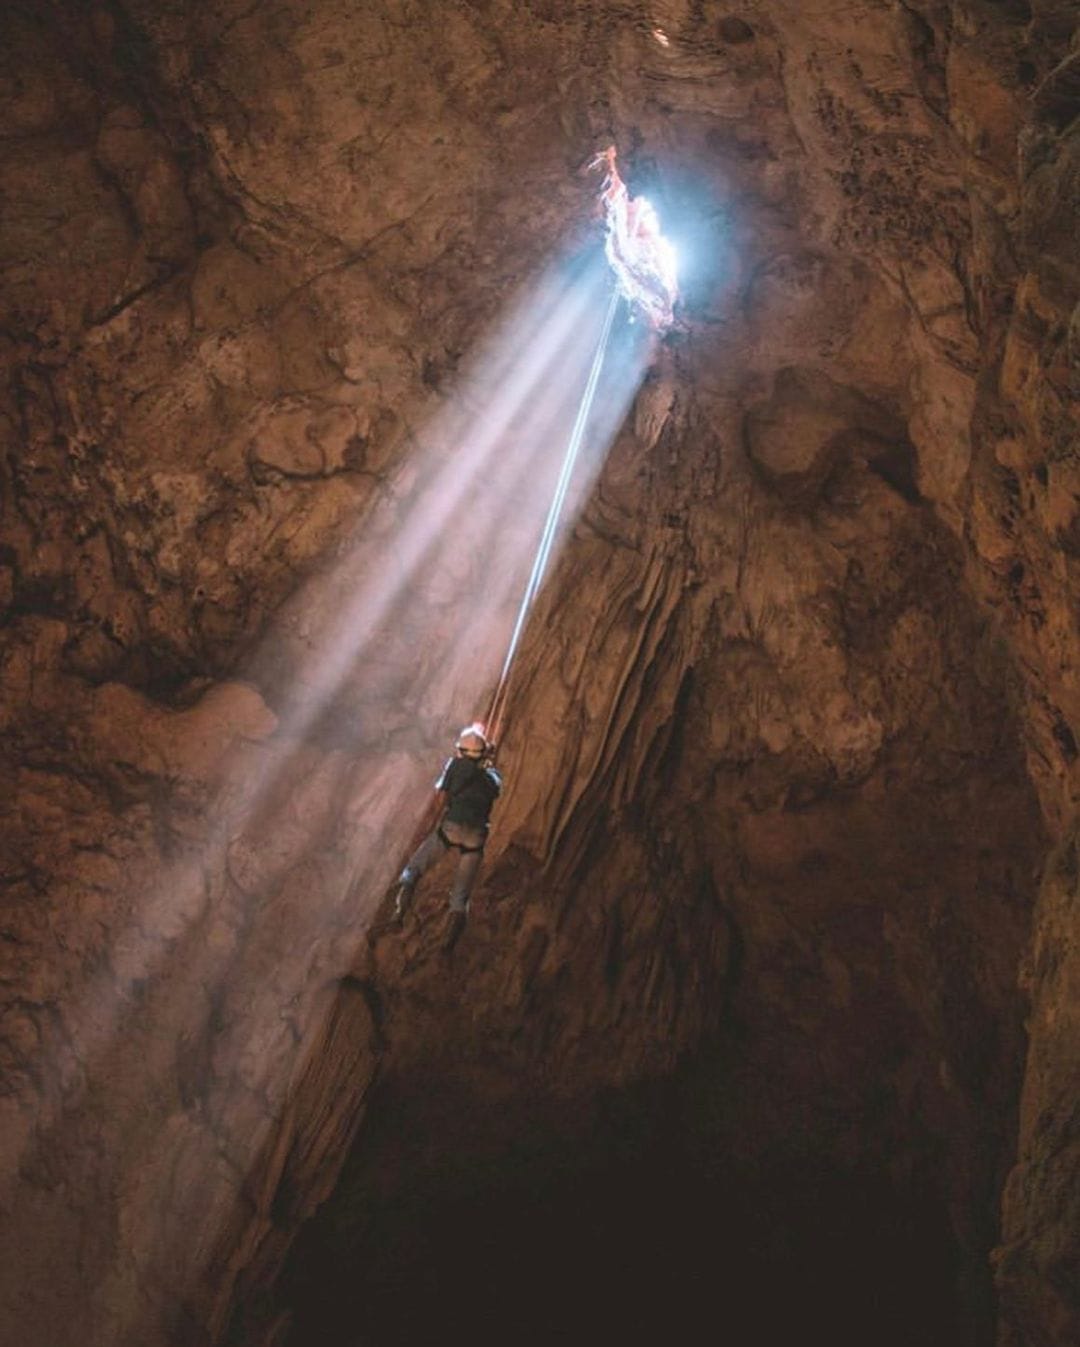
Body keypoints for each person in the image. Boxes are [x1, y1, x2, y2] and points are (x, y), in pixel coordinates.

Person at [393, 724, 502, 928]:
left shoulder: (454, 766)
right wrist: (488, 764)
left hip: (450, 829)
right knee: (460, 898)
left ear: (461, 751)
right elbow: (494, 790)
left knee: (413, 869)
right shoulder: (492, 776)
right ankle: (450, 942)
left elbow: (441, 792)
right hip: (476, 837)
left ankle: (399, 914)